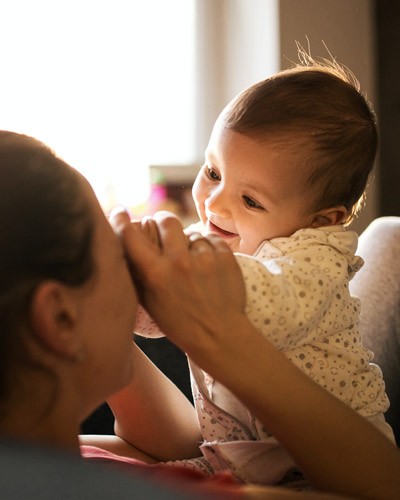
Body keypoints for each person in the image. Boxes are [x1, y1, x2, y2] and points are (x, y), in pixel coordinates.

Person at [0, 129, 399, 500]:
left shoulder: (52, 451)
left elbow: (183, 444)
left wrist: (94, 326)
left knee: (388, 239)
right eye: (111, 246)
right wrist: (220, 335)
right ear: (59, 318)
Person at [132, 56, 394, 483]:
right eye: (213, 172)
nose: (215, 203)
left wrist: (185, 271)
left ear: (322, 219)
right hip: (238, 457)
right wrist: (129, 285)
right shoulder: (214, 233)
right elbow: (160, 319)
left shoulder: (318, 256)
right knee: (147, 480)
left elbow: (276, 306)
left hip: (329, 461)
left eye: (250, 200)